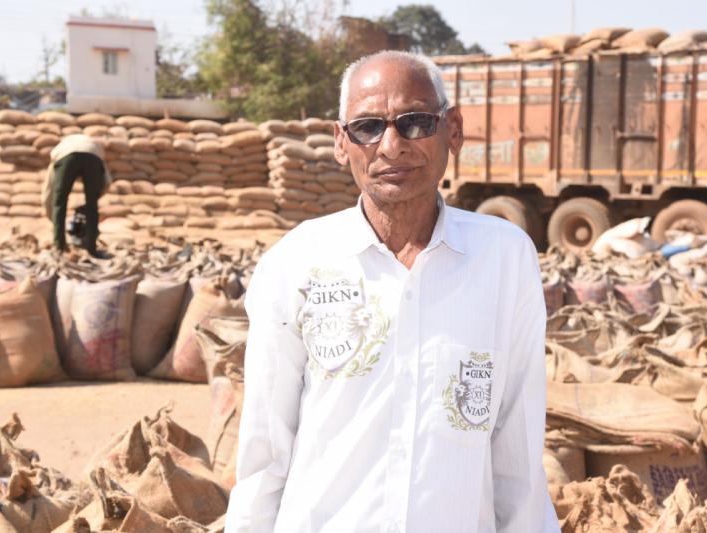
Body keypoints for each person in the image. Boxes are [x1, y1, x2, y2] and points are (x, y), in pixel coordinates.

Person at [226, 50, 559, 532]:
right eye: (367, 127)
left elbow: (518, 449)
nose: (392, 146)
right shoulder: (296, 263)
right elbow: (265, 449)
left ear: (453, 131)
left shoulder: (504, 259)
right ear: (341, 142)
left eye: (416, 123)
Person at [41, 133, 111, 257]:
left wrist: (51, 215)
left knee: (59, 202)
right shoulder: (94, 147)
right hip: (92, 157)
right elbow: (107, 182)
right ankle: (92, 249)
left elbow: (49, 190)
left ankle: (59, 247)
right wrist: (95, 197)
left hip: (67, 157)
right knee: (92, 206)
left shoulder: (61, 149)